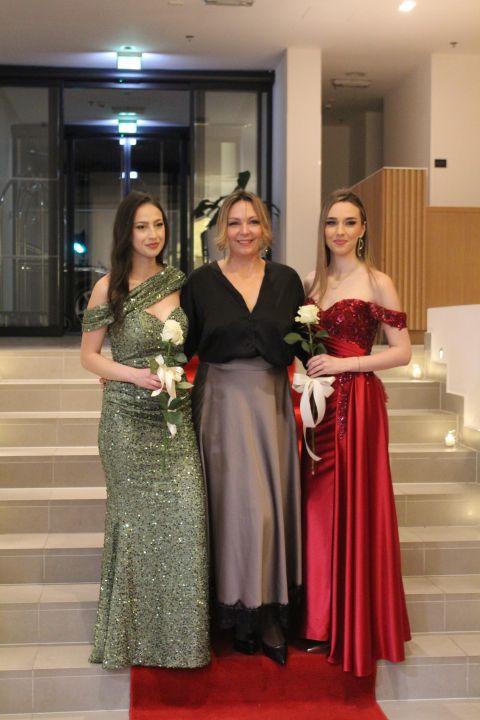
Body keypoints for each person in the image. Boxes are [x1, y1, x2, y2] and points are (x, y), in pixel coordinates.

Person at [80, 191, 210, 670]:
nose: (152, 234)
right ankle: (131, 639)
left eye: (158, 224)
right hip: (126, 423)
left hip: (174, 421)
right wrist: (131, 375)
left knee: (186, 523)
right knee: (136, 531)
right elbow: (89, 357)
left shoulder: (180, 283)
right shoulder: (108, 287)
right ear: (126, 233)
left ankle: (182, 643)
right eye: (141, 227)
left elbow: (199, 343)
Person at [181, 190, 303, 665]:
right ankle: (233, 612)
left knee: (267, 509)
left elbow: (307, 344)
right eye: (234, 223)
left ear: (265, 230)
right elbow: (180, 346)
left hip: (271, 405)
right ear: (221, 232)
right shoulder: (201, 283)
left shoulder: (287, 281)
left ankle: (268, 612)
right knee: (231, 508)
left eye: (252, 222)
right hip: (220, 406)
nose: (244, 231)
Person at [301, 189, 411, 677]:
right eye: (332, 222)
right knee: (317, 509)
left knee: (355, 505)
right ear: (322, 229)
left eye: (349, 222)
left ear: (363, 229)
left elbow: (402, 352)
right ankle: (319, 618)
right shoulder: (310, 282)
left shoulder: (378, 281)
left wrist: (349, 365)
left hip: (358, 404)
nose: (340, 231)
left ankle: (353, 621)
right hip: (316, 406)